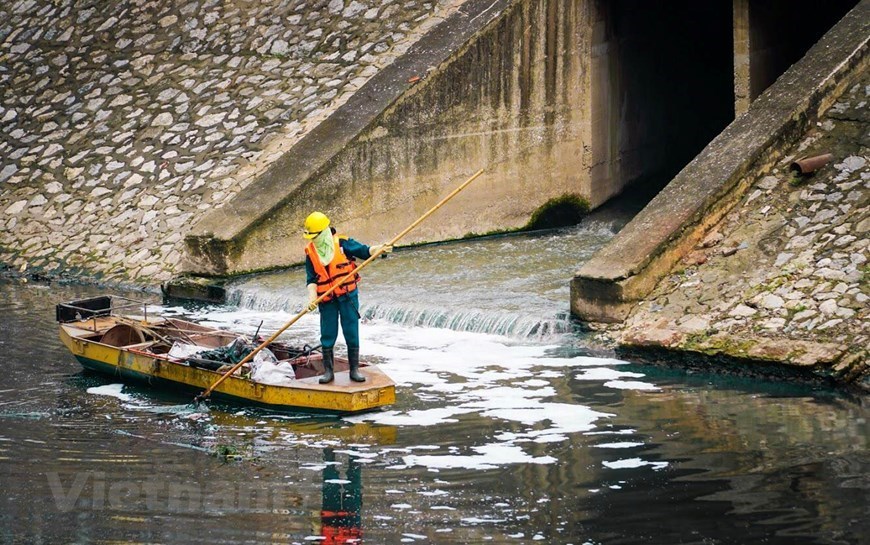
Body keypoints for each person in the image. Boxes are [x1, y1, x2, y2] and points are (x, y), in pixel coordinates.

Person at [303, 211, 391, 383]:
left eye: (315, 236)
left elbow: (365, 251)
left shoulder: (343, 244)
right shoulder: (311, 252)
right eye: (311, 237)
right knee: (327, 334)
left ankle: (354, 370)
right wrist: (312, 297)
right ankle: (328, 372)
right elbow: (311, 279)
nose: (313, 240)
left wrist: (378, 249)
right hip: (327, 300)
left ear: (324, 231)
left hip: (347, 296)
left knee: (351, 331)